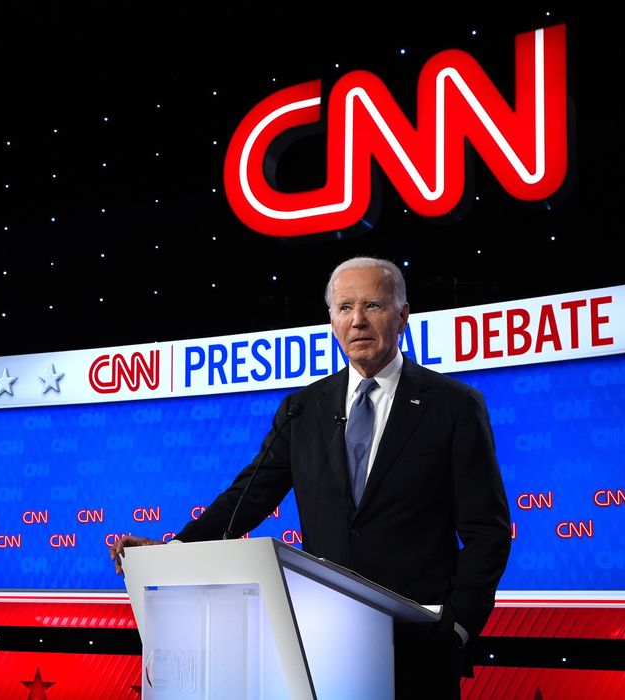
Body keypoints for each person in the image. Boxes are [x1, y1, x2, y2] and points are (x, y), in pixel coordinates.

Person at [109, 256, 511, 700]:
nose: (357, 321)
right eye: (344, 308)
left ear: (402, 316)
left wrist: (458, 625)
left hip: (420, 644)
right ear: (332, 320)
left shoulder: (454, 405)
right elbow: (248, 498)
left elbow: (487, 531)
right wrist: (175, 550)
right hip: (324, 642)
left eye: (373, 306)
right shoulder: (302, 409)